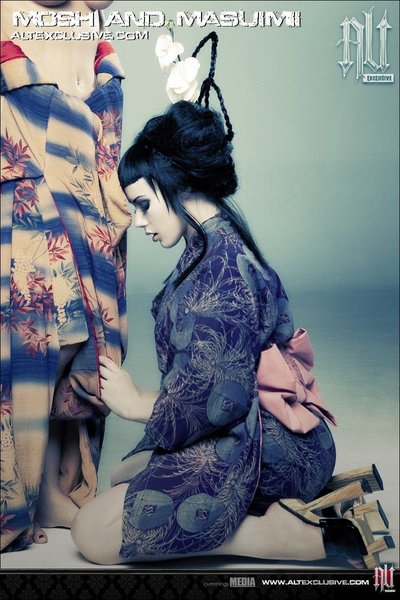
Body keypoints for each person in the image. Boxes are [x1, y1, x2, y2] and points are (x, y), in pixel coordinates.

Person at [70, 32, 394, 568]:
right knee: (127, 474)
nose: (140, 222)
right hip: (269, 430)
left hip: (266, 443)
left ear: (177, 182)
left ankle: (279, 537)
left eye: (144, 204)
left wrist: (134, 401)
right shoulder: (217, 243)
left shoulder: (220, 275)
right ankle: (296, 510)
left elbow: (220, 400)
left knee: (92, 534)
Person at [0, 1, 131, 551]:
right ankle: (19, 493)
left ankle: (50, 486)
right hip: (30, 187)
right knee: (41, 339)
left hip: (89, 194)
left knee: (81, 340)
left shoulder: (88, 14)